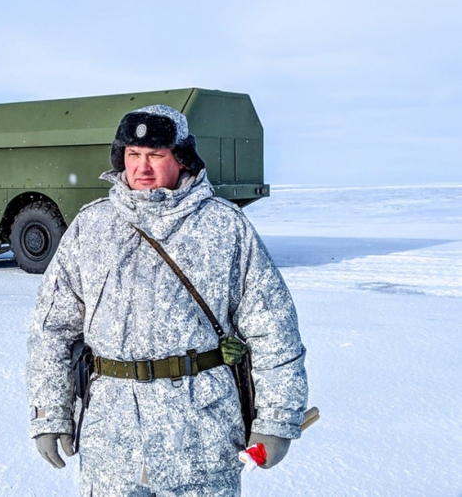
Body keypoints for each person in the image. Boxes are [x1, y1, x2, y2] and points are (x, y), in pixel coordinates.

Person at [26, 105, 308, 496]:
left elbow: (273, 331)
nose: (142, 167)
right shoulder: (90, 227)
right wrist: (49, 413)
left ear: (182, 158)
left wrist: (277, 421)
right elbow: (51, 331)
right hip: (110, 438)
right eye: (133, 155)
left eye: (156, 155)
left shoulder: (225, 227)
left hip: (202, 436)